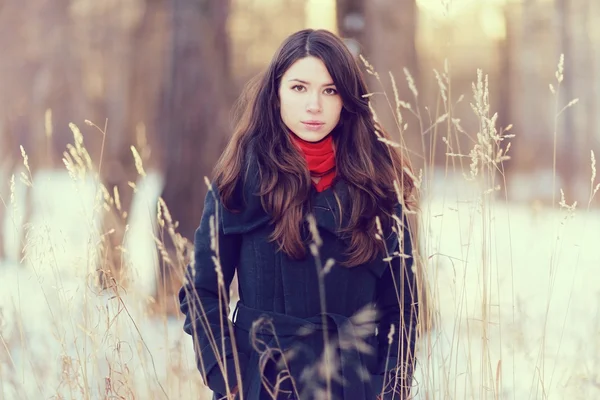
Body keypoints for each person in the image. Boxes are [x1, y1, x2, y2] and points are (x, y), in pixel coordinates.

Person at [178, 29, 420, 400]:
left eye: (330, 90)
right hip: (260, 383)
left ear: (347, 100)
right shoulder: (240, 180)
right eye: (299, 88)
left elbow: (401, 307)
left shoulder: (378, 186)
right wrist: (228, 378)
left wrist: (390, 389)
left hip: (350, 385)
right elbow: (202, 291)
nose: (314, 106)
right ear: (276, 94)